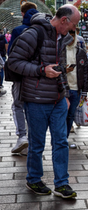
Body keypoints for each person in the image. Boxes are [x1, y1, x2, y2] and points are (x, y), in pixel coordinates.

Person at [8, 4, 80, 198]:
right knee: (37, 143)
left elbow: (62, 68)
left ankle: (62, 184)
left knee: (61, 142)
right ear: (64, 20)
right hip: (36, 99)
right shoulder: (34, 34)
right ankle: (33, 179)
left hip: (57, 100)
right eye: (74, 24)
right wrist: (41, 70)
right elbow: (13, 62)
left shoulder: (63, 38)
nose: (74, 28)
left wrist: (64, 94)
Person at [7, 1, 39, 155]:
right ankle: (32, 140)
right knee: (32, 107)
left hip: (20, 76)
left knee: (18, 105)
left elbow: (11, 55)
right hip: (38, 76)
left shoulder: (18, 30)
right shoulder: (43, 30)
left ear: (22, 14)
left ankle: (22, 137)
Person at [65, 30, 88, 138]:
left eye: (72, 36)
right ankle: (60, 139)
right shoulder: (60, 51)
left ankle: (64, 138)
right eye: (68, 36)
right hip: (63, 89)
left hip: (76, 89)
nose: (70, 39)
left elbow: (85, 72)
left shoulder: (80, 52)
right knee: (61, 115)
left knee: (71, 115)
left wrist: (84, 90)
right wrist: (63, 70)